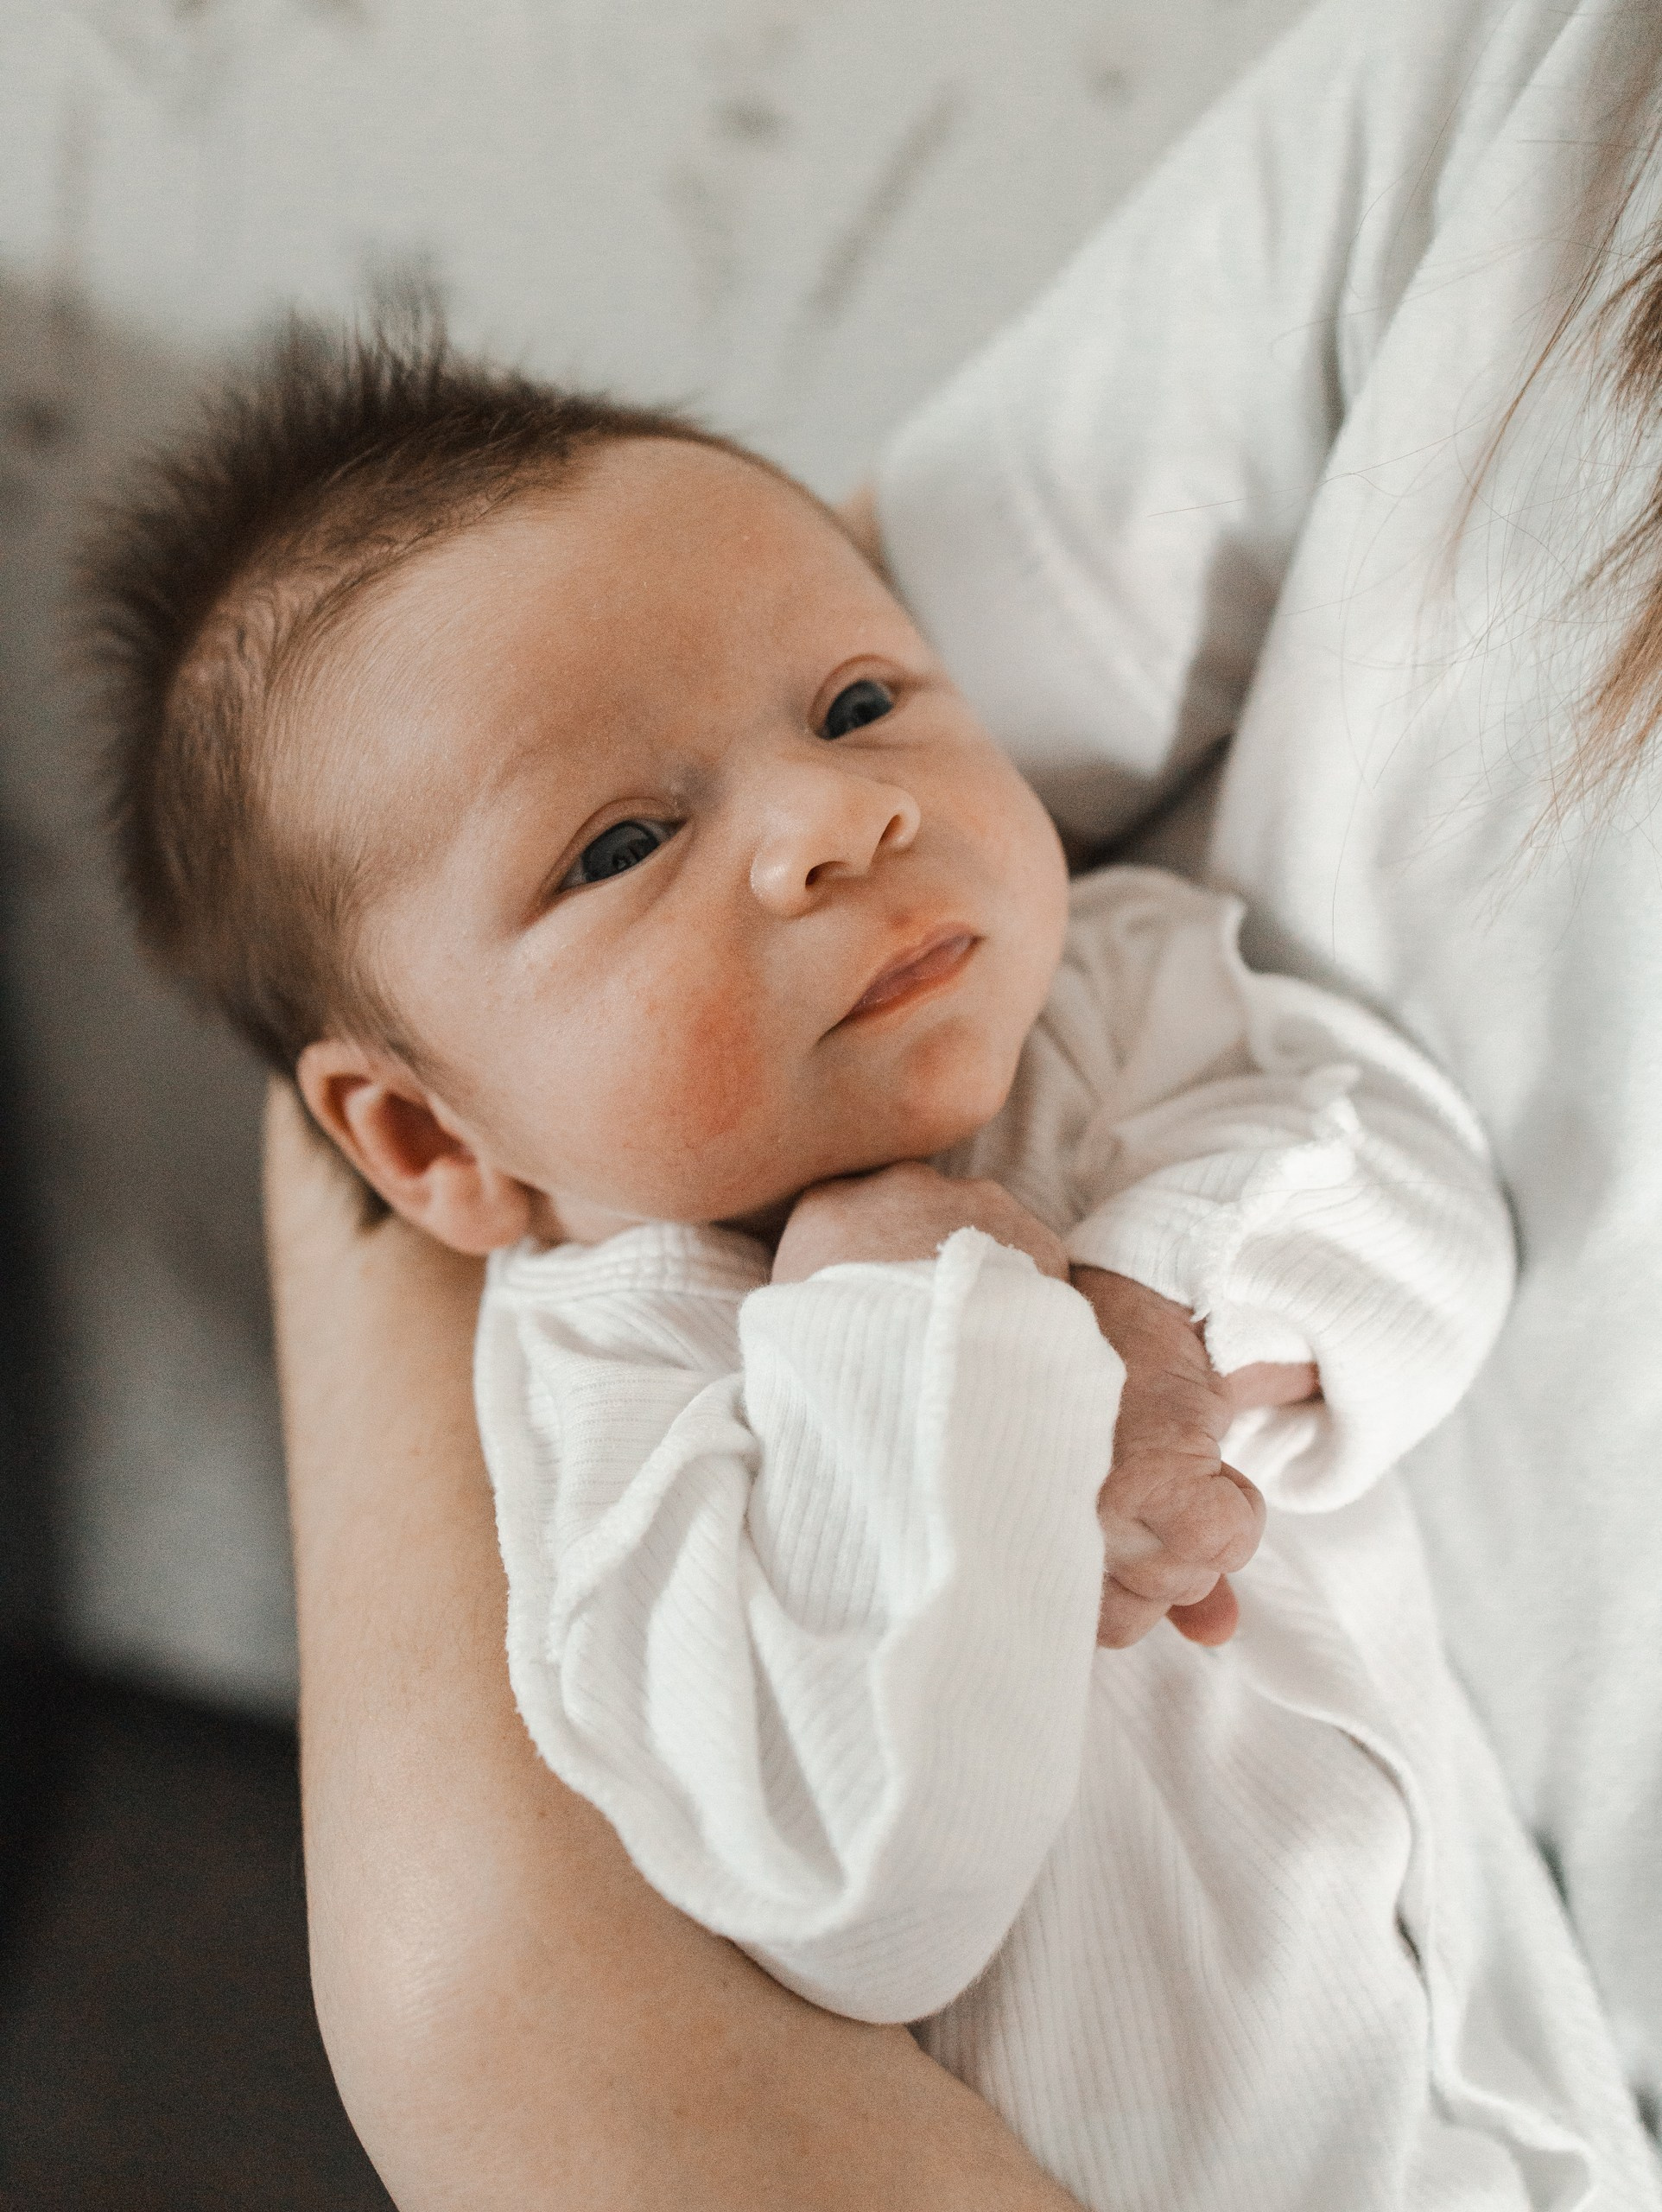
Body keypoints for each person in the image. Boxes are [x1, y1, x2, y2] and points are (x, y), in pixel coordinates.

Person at [256, 0, 1662, 2200]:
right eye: (621, 842)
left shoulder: (1108, 985)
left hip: (1523, 2091)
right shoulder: (607, 1408)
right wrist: (902, 1328)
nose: (836, 816)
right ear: (435, 1145)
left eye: (854, 700)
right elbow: (867, 1878)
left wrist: (1157, 1302)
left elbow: (1411, 1208)